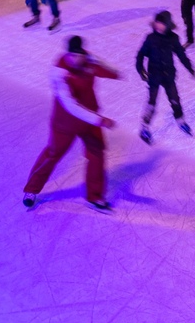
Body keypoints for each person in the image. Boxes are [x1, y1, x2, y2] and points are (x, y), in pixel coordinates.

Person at [21, 35, 121, 212]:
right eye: (71, 56)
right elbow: (71, 106)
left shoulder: (88, 61)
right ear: (67, 54)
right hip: (66, 123)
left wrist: (115, 73)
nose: (75, 59)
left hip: (89, 120)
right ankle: (31, 189)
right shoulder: (60, 74)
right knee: (53, 154)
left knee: (97, 153)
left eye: (79, 55)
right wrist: (100, 120)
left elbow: (105, 69)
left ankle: (95, 196)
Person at [135, 10, 195, 144]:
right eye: (157, 22)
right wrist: (141, 70)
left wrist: (190, 68)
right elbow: (140, 55)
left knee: (175, 99)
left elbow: (181, 55)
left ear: (167, 24)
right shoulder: (150, 38)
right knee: (151, 103)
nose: (158, 25)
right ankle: (144, 127)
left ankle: (180, 120)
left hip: (168, 75)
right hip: (154, 76)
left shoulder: (173, 38)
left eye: (161, 23)